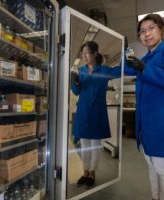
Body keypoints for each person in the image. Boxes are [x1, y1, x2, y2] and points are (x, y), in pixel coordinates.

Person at [124, 14, 164, 200]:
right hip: (146, 122)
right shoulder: (146, 57)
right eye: (142, 31)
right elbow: (126, 68)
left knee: (163, 169)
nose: (146, 34)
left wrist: (143, 68)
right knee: (151, 164)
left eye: (151, 28)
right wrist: (124, 51)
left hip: (161, 121)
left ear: (161, 29)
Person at [71, 41, 121, 188]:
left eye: (87, 53)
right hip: (84, 112)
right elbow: (75, 91)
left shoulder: (104, 70)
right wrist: (77, 81)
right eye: (83, 53)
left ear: (94, 54)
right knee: (85, 145)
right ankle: (85, 172)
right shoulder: (81, 71)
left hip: (97, 112)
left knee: (95, 146)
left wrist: (127, 59)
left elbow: (120, 71)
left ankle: (92, 173)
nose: (84, 56)